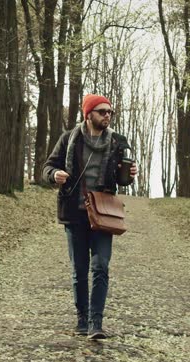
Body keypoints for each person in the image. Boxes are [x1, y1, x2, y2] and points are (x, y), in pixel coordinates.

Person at [42, 94, 138, 340]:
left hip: (104, 214)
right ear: (88, 115)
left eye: (110, 112)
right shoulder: (68, 139)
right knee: (79, 269)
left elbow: (122, 176)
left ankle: (97, 323)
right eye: (102, 111)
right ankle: (82, 319)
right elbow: (47, 168)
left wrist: (129, 173)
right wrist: (55, 175)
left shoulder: (117, 142)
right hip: (75, 213)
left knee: (100, 267)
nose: (107, 115)